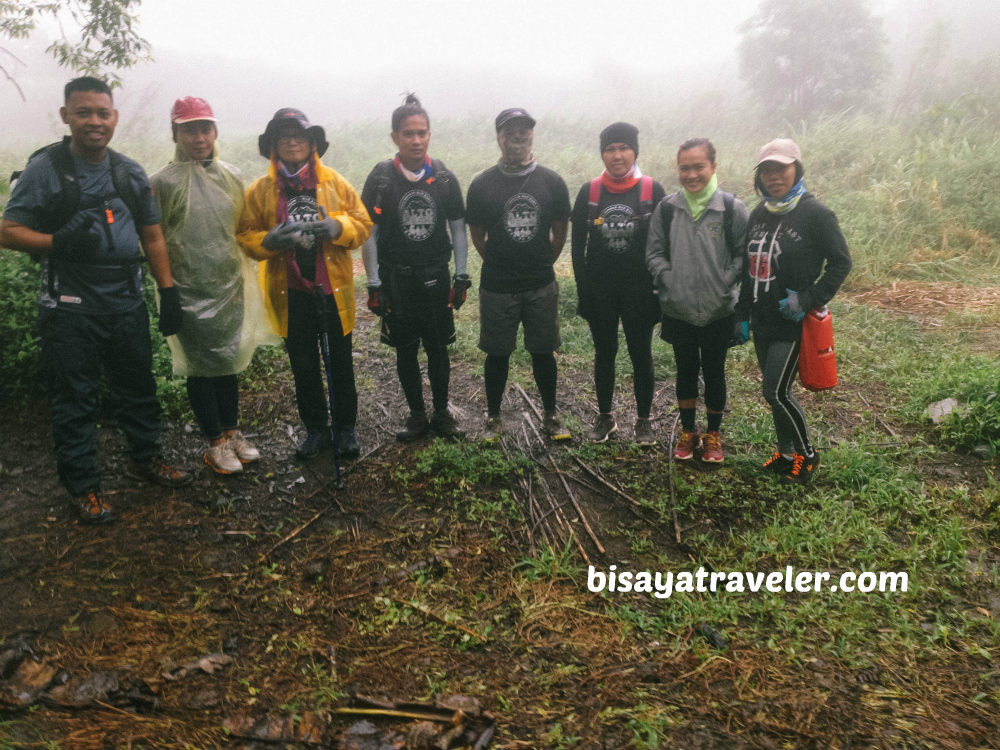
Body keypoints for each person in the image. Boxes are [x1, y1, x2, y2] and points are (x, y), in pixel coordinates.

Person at [0, 76, 192, 525]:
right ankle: (83, 486)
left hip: (125, 302)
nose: (94, 122)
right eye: (83, 112)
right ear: (66, 115)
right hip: (68, 308)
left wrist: (168, 291)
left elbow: (152, 234)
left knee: (138, 387)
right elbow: (7, 230)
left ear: (115, 118)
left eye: (102, 113)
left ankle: (146, 458)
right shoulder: (47, 168)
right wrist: (57, 243)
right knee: (75, 399)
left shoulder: (128, 171)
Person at [151, 96, 280, 475]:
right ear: (176, 133)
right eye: (189, 129)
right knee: (199, 366)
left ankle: (231, 431)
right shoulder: (162, 183)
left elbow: (245, 229)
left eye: (204, 128)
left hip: (227, 285)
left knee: (227, 360)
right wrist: (168, 291)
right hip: (187, 289)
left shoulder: (232, 176)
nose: (198, 137)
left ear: (215, 131)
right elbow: (152, 237)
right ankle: (214, 442)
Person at [237, 108, 372, 461]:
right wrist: (269, 240)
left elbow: (363, 223)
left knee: (340, 362)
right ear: (273, 146)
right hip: (290, 292)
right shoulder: (261, 190)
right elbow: (245, 234)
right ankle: (315, 429)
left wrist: (338, 228)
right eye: (284, 137)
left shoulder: (335, 183)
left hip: (331, 290)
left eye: (300, 136)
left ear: (312, 143)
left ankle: (345, 429)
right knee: (304, 365)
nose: (292, 142)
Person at [734, 138, 851, 483]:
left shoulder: (816, 214)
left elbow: (841, 262)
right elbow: (748, 268)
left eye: (781, 168)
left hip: (793, 320)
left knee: (775, 391)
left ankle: (808, 455)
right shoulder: (759, 213)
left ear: (796, 169)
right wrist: (742, 312)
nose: (774, 176)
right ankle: (786, 455)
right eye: (767, 170)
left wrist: (809, 297)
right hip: (762, 318)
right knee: (775, 392)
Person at [360, 94, 469, 442]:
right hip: (397, 279)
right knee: (406, 350)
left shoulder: (444, 177)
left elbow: (457, 227)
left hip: (436, 276)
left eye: (422, 132)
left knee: (438, 349)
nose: (416, 140)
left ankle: (441, 413)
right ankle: (417, 416)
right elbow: (370, 233)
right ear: (394, 137)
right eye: (408, 133)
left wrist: (462, 275)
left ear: (430, 134)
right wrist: (374, 283)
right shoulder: (381, 179)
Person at [466, 108, 571, 440]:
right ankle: (493, 419)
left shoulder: (552, 182)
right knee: (497, 353)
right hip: (497, 286)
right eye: (511, 131)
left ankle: (552, 417)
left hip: (541, 283)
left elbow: (559, 230)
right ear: (499, 137)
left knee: (543, 352)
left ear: (532, 136)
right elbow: (478, 235)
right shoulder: (482, 184)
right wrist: (498, 261)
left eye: (524, 131)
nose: (519, 136)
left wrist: (542, 261)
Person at [646, 138, 749, 463]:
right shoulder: (667, 209)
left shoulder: (731, 208)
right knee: (686, 370)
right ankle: (689, 431)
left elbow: (743, 254)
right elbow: (654, 252)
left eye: (699, 167)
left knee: (715, 371)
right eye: (685, 168)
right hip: (679, 308)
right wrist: (669, 279)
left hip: (719, 309)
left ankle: (713, 434)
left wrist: (724, 281)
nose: (692, 174)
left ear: (713, 167)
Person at [572, 122, 665, 444]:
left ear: (635, 151)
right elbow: (576, 245)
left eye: (624, 147)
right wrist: (583, 291)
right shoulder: (591, 192)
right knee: (605, 352)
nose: (617, 155)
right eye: (610, 149)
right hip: (601, 290)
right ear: (602, 154)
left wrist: (659, 292)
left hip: (640, 291)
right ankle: (605, 418)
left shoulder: (652, 190)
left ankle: (643, 421)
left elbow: (665, 244)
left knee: (641, 353)